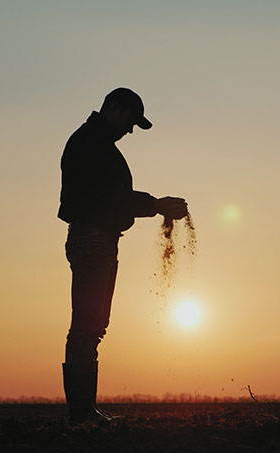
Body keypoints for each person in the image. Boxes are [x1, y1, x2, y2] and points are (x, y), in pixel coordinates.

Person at [58, 88, 188, 424]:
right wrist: (156, 205)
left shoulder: (97, 145)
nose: (130, 130)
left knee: (94, 324)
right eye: (130, 121)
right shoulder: (90, 145)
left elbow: (112, 197)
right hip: (92, 239)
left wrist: (152, 205)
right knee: (87, 326)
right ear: (114, 109)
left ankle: (85, 411)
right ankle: (82, 413)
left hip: (100, 240)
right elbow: (108, 198)